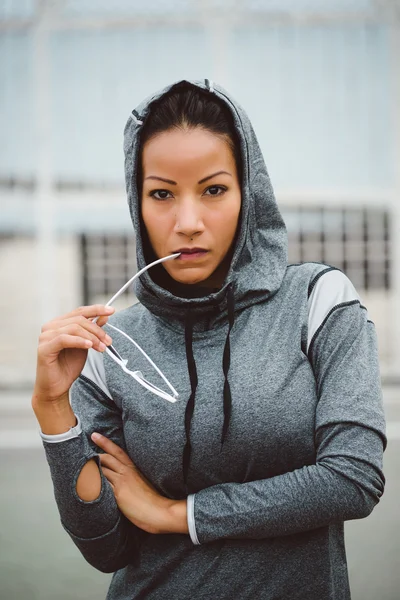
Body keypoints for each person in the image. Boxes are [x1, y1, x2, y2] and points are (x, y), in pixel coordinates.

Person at [31, 79, 386, 600]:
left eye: (214, 189)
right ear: (138, 203)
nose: (188, 222)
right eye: (162, 194)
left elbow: (353, 477)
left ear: (249, 192)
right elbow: (106, 549)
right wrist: (52, 408)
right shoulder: (113, 346)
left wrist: (179, 514)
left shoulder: (316, 302)